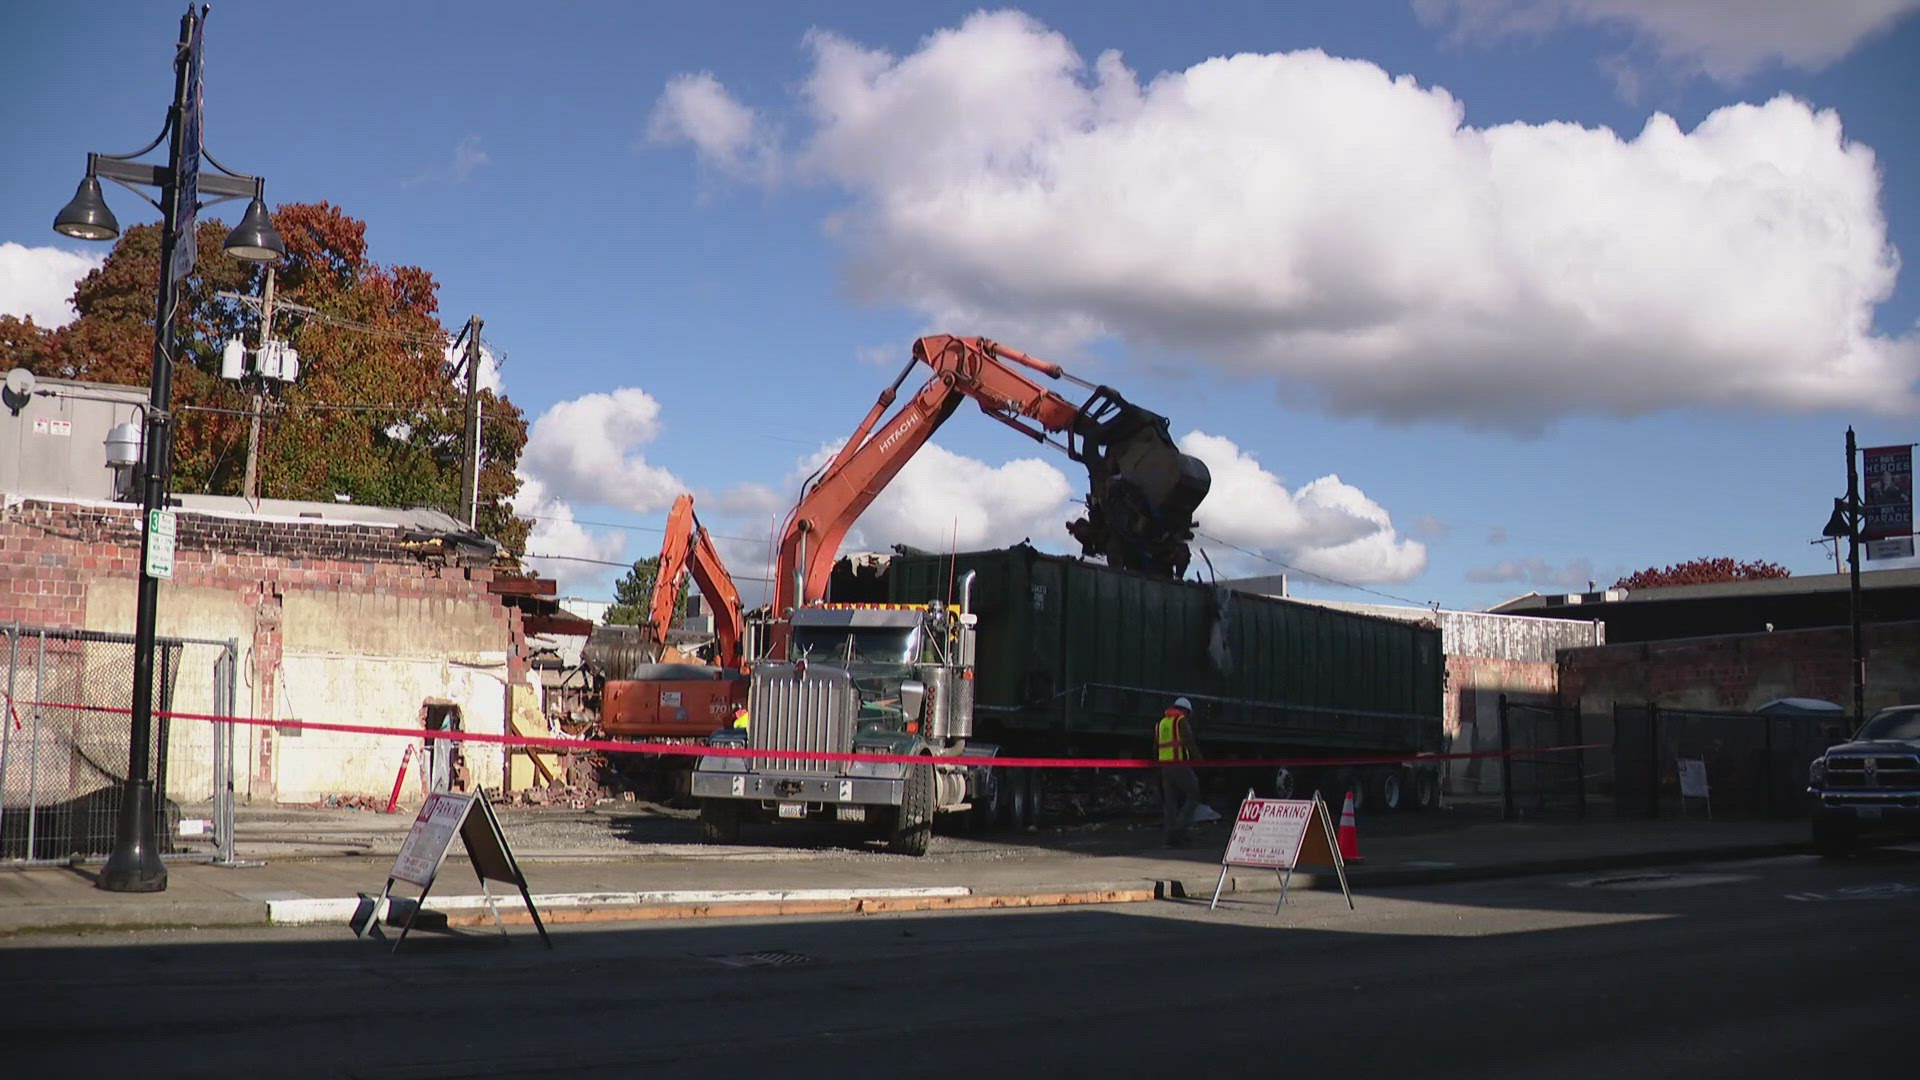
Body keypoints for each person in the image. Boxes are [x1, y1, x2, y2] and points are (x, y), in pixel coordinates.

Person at [1155, 696, 1202, 846]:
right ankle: (1179, 831)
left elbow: (1156, 747)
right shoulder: (1180, 721)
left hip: (1165, 767)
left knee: (1170, 803)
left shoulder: (1161, 723)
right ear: (1185, 711)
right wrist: (1200, 760)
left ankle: (1169, 838)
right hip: (1179, 765)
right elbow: (1189, 742)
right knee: (1194, 795)